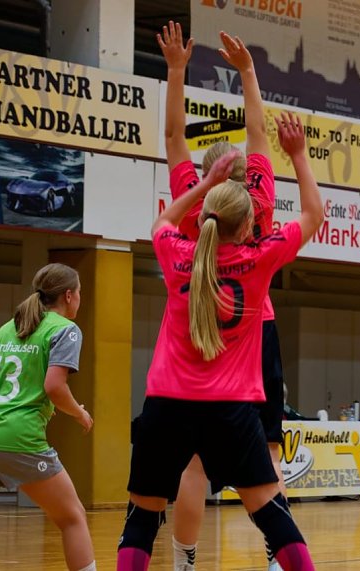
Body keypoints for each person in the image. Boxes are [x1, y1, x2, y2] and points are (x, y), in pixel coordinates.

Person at [115, 111, 322, 571]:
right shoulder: (261, 259)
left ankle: (182, 558)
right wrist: (300, 156)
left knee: (141, 520)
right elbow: (313, 215)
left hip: (166, 405)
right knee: (272, 514)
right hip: (231, 411)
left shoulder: (176, 254)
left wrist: (204, 183)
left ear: (206, 216)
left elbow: (163, 220)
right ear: (249, 225)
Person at [157, 23, 290, 571]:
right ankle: (278, 552)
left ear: (209, 175)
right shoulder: (258, 197)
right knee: (269, 455)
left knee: (191, 463)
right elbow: (260, 132)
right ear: (241, 172)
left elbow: (171, 139)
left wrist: (176, 70)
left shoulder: (193, 205)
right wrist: (248, 73)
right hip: (255, 330)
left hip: (194, 328)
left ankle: (186, 561)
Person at [0, 263, 96, 571]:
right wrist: (80, 414)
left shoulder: (7, 328)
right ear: (70, 296)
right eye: (80, 293)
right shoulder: (65, 330)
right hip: (19, 437)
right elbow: (54, 387)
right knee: (72, 518)